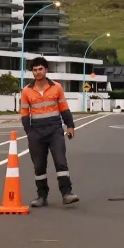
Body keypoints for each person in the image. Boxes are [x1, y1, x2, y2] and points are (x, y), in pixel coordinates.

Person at [20, 56, 79, 207]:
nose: (38, 72)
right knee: (39, 166)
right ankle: (42, 196)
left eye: (40, 69)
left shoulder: (57, 87)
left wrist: (70, 126)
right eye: (34, 70)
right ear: (32, 72)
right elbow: (25, 115)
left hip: (55, 130)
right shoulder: (26, 91)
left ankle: (67, 193)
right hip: (36, 131)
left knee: (60, 162)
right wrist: (29, 133)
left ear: (46, 70)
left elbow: (64, 109)